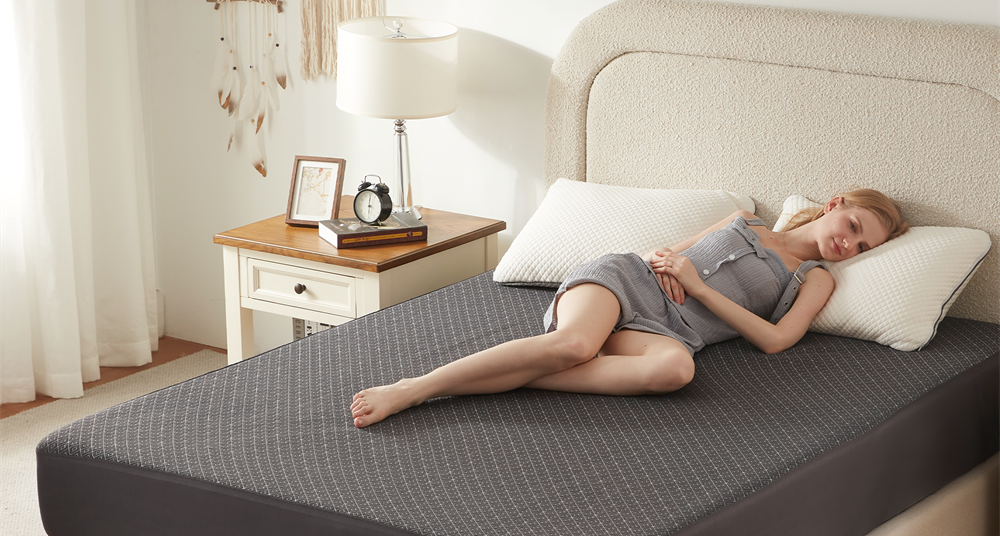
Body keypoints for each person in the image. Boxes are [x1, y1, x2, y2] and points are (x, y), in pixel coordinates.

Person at [351, 190, 908, 428]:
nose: (848, 244)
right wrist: (667, 263)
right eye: (853, 227)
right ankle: (417, 387)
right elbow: (669, 254)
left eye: (863, 248)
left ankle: (519, 374)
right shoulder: (746, 219)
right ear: (835, 205)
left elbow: (775, 340)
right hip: (626, 282)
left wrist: (702, 289)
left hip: (673, 333)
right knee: (572, 344)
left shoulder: (815, 281)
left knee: (676, 371)